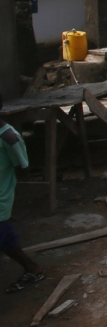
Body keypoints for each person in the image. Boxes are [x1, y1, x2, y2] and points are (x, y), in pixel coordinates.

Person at [1, 94, 44, 294]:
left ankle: (32, 268)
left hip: (1, 195)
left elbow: (22, 166)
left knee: (4, 236)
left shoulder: (9, 137)